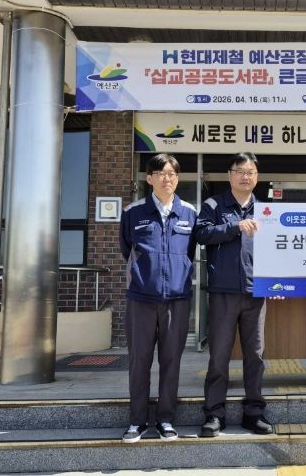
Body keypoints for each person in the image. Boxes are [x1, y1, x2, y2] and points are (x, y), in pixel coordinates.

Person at [118, 154, 197, 443]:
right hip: (141, 299)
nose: (167, 178)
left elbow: (189, 253)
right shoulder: (133, 212)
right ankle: (137, 421)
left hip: (177, 299)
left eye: (172, 174)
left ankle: (165, 419)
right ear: (149, 178)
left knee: (171, 360)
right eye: (161, 173)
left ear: (178, 178)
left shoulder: (189, 213)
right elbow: (127, 249)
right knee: (139, 361)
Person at [195, 152, 272, 437]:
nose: (245, 176)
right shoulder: (214, 205)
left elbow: (277, 250)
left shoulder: (266, 210)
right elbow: (201, 234)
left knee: (256, 355)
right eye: (239, 171)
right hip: (223, 294)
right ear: (229, 175)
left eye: (250, 172)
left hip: (256, 293)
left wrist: (276, 283)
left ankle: (254, 413)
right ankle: (214, 414)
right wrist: (234, 227)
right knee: (219, 356)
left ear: (257, 177)